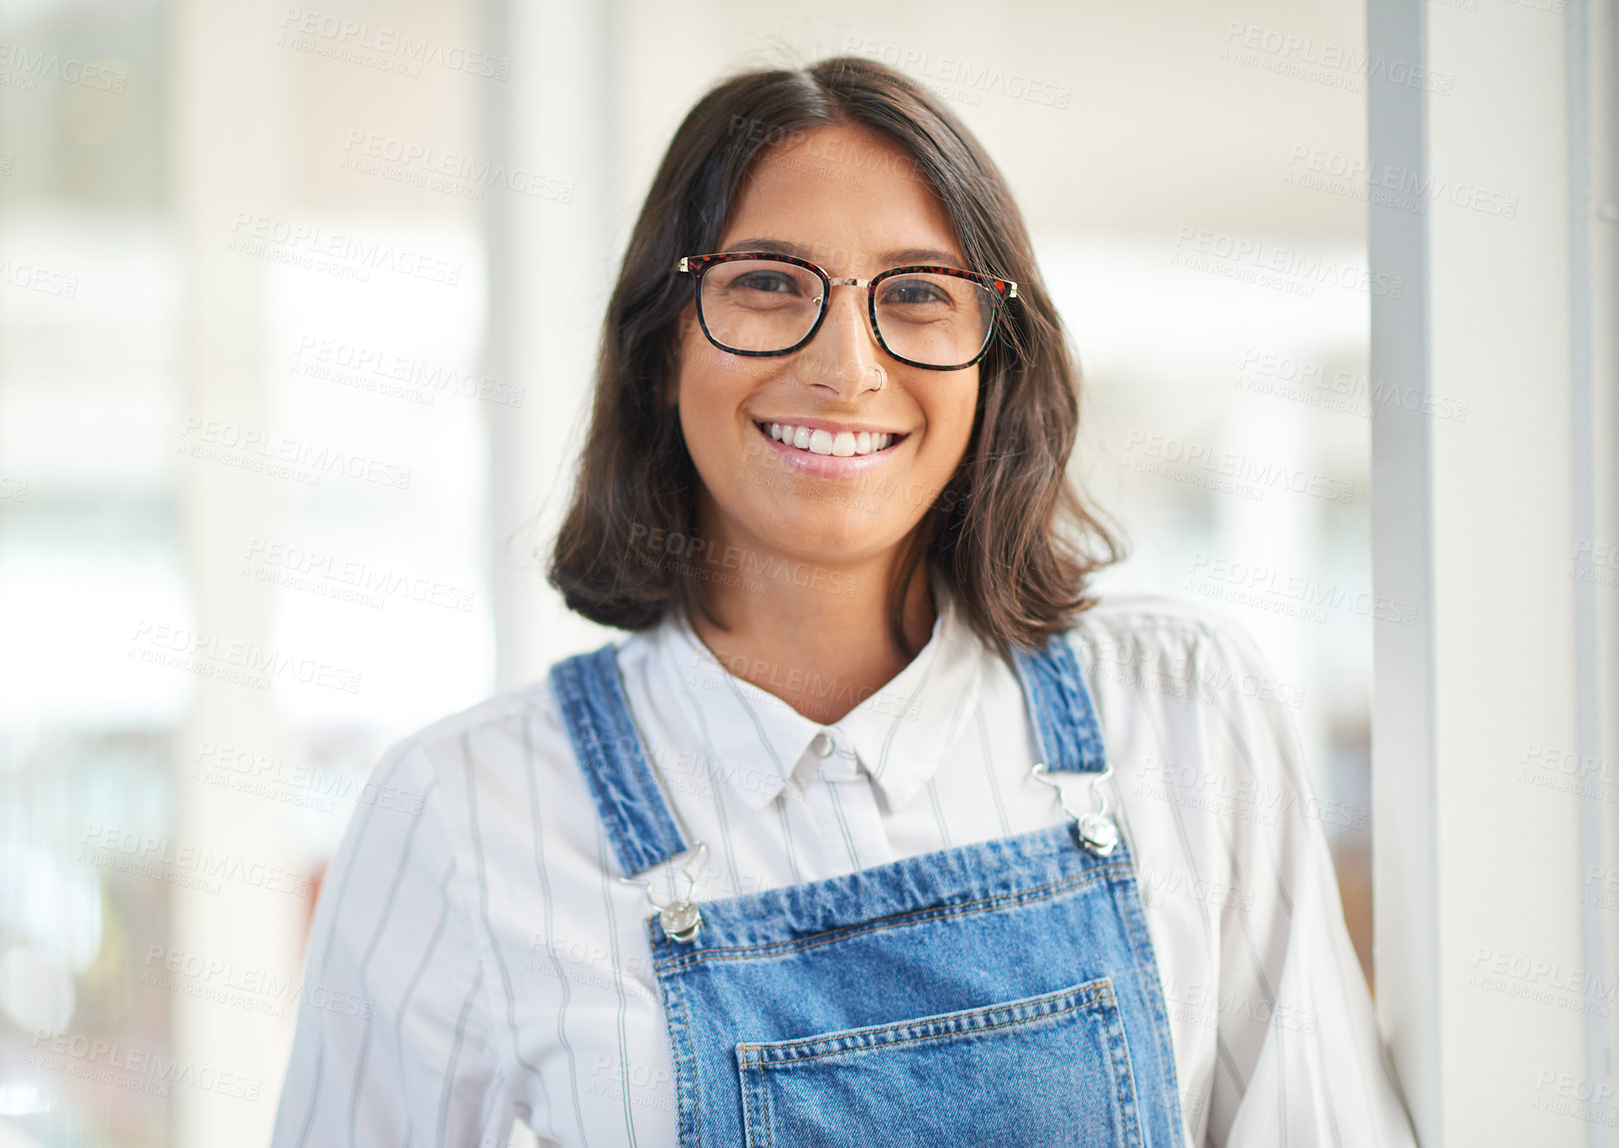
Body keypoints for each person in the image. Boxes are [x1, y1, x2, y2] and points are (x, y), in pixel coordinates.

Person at [270, 56, 1418, 1147]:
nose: (848, 366)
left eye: (917, 294)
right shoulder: (464, 813)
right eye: (770, 284)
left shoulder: (1180, 711)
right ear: (663, 340)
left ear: (994, 357)